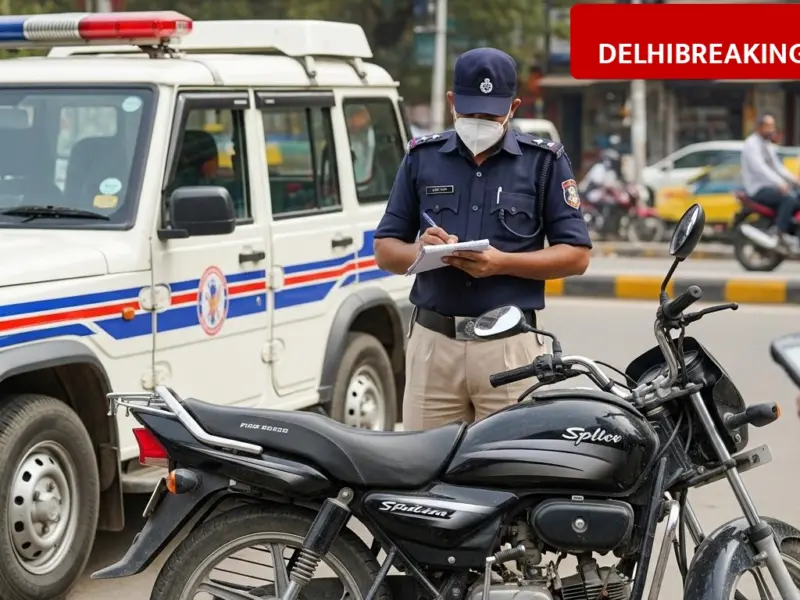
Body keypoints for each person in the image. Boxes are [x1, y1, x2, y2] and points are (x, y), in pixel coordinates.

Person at [373, 47, 592, 431]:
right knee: (424, 463)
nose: (479, 123)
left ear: (513, 107)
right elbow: (385, 249)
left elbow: (576, 255)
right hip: (434, 346)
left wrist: (503, 263)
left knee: (507, 463)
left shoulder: (543, 162)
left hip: (509, 349)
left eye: (490, 115)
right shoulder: (422, 157)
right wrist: (420, 250)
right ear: (452, 102)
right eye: (471, 113)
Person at [741, 113, 800, 250]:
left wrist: (795, 180)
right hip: (758, 189)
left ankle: (792, 230)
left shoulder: (766, 144)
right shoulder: (751, 144)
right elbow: (760, 168)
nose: (772, 130)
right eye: (768, 126)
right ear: (759, 127)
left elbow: (777, 167)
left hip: (771, 186)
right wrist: (780, 183)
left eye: (772, 126)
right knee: (789, 199)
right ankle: (779, 232)